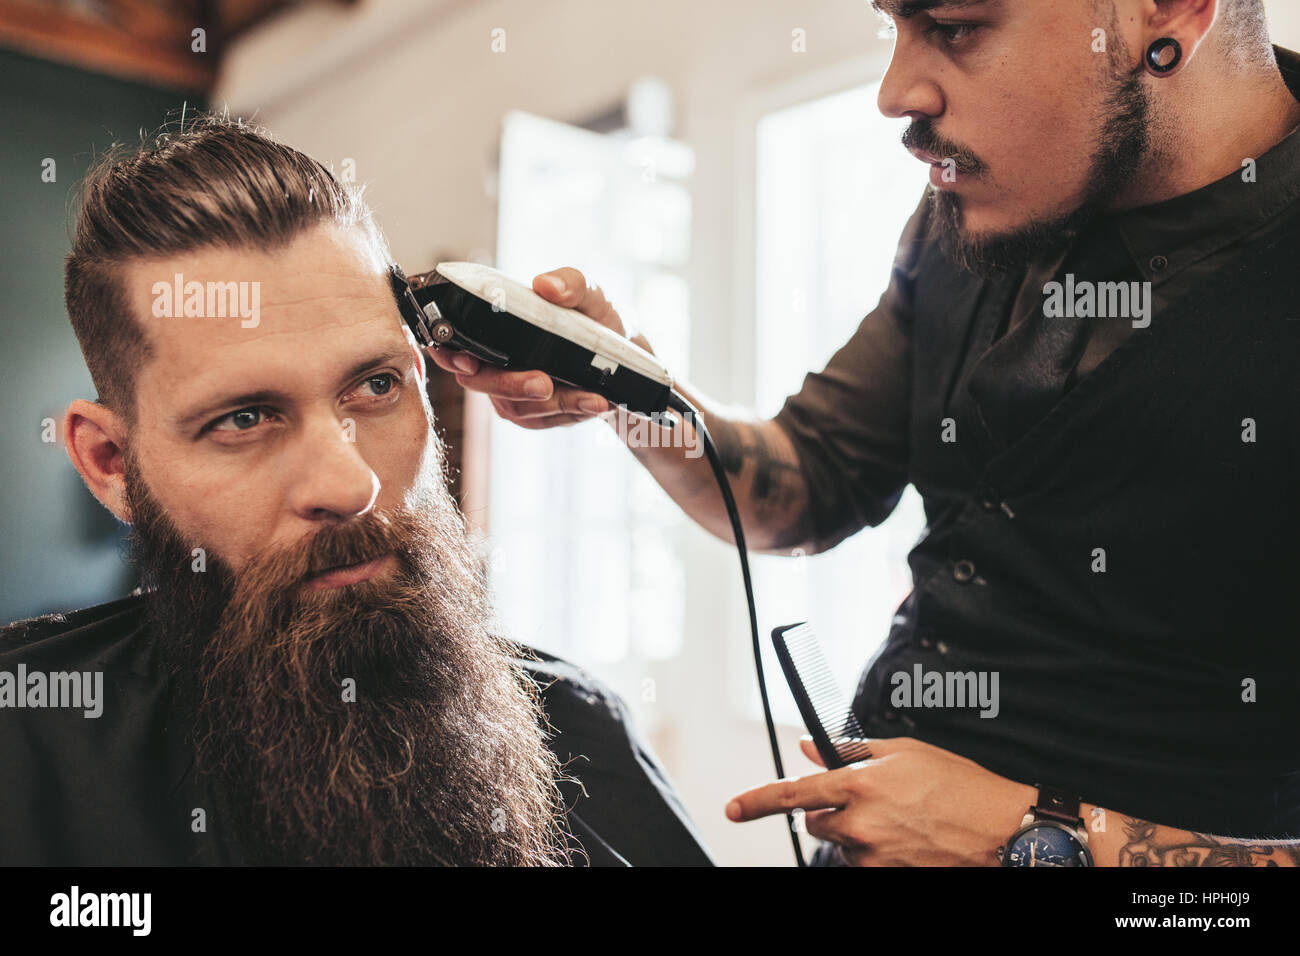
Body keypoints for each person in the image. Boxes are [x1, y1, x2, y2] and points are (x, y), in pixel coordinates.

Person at [438, 0, 1300, 865]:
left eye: (956, 26)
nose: (894, 92)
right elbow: (808, 481)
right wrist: (626, 388)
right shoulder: (974, 211)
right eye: (895, 24)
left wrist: (1034, 839)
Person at [0, 115, 713, 867]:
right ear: (111, 462)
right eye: (244, 418)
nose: (351, 485)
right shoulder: (26, 747)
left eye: (377, 385)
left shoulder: (581, 733)